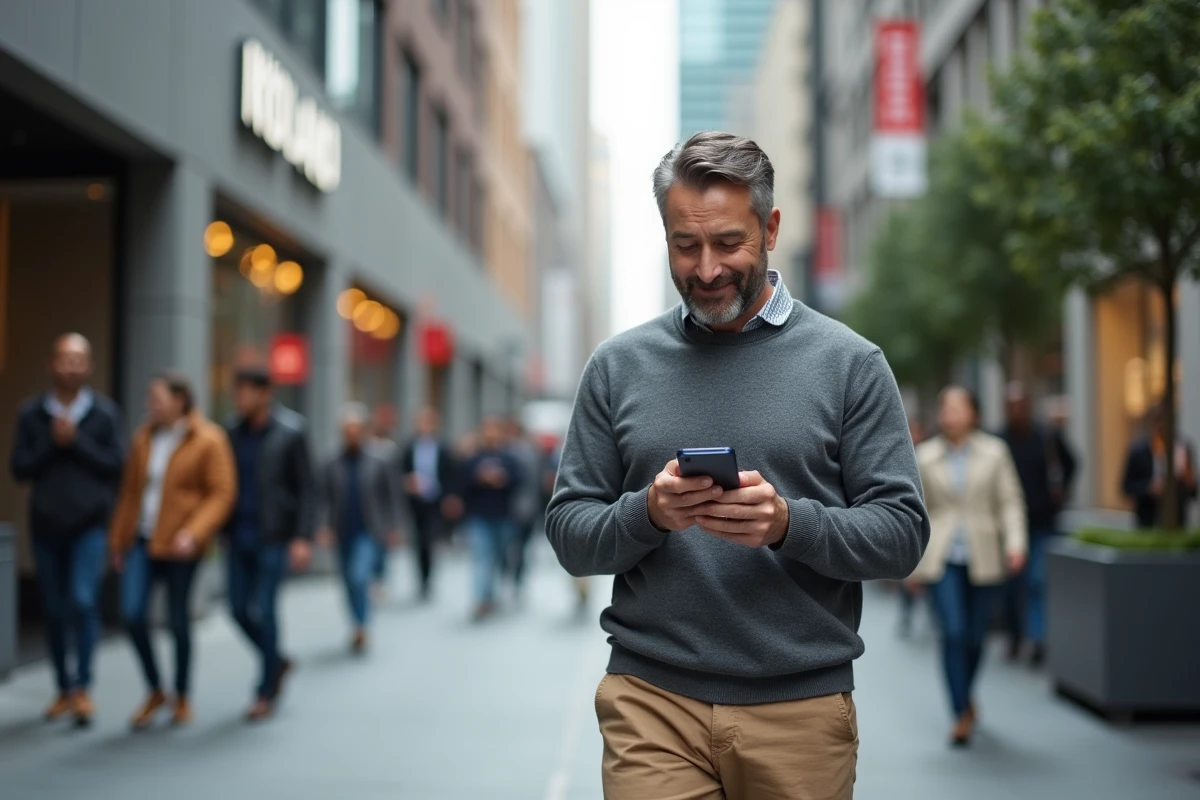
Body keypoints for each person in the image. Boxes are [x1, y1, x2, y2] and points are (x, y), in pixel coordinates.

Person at [545, 132, 929, 798]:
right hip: (651, 700)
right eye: (685, 245)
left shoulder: (851, 365)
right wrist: (648, 514)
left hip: (799, 709)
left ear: (771, 229)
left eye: (728, 243)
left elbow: (901, 536)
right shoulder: (616, 367)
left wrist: (787, 524)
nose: (706, 269)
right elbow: (570, 537)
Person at [9, 333, 125, 727]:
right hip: (46, 526)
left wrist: (76, 441)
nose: (72, 367)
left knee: (82, 600)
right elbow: (19, 468)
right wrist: (52, 442)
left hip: (89, 526)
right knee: (55, 610)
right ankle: (63, 687)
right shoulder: (32, 413)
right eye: (65, 359)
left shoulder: (104, 414)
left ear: (88, 366)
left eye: (79, 360)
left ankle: (83, 687)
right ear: (51, 364)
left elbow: (116, 466)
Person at [109, 372, 236, 729]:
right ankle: (155, 689)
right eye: (149, 399)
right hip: (142, 540)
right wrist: (118, 540)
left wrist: (194, 533)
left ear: (180, 400)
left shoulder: (209, 439)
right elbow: (130, 492)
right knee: (132, 613)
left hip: (181, 544)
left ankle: (181, 694)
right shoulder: (143, 438)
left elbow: (221, 493)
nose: (150, 406)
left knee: (178, 620)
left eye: (157, 399)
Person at [911, 386, 1027, 747]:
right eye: (945, 407)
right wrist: (910, 565)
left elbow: (1009, 502)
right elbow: (913, 512)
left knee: (976, 637)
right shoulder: (924, 456)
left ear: (974, 413)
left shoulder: (995, 452)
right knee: (953, 632)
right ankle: (960, 712)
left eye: (957, 407)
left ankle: (966, 695)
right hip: (942, 557)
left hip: (984, 554)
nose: (950, 414)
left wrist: (1016, 543)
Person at [224, 366, 315, 721]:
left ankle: (265, 690)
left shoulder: (292, 431)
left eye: (246, 391)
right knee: (237, 609)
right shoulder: (231, 432)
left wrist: (302, 537)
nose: (240, 398)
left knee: (265, 607)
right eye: (237, 391)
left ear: (265, 393)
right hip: (238, 535)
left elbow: (306, 488)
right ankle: (275, 659)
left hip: (275, 536)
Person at [998, 382, 1077, 665]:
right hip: (1009, 527)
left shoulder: (1046, 436)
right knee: (1011, 586)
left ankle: (1038, 639)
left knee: (1037, 581)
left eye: (1020, 405)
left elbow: (1072, 463)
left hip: (1042, 521)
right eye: (1011, 406)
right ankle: (1015, 635)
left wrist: (1062, 491)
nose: (1016, 411)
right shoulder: (999, 441)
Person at [317, 403, 402, 652]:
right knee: (347, 581)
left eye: (356, 429)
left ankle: (363, 625)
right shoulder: (332, 460)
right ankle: (356, 623)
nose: (352, 434)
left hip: (370, 529)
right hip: (343, 529)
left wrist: (394, 526)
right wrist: (323, 526)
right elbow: (324, 497)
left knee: (359, 575)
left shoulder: (380, 458)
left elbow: (392, 495)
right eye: (347, 430)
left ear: (364, 430)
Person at [460, 418, 522, 621]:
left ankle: (491, 593)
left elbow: (518, 481)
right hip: (479, 517)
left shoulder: (508, 459)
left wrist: (503, 479)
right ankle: (481, 599)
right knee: (481, 557)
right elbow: (463, 485)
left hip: (503, 516)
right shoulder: (474, 459)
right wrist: (480, 478)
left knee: (498, 557)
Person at [399, 407, 458, 600]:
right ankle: (422, 579)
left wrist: (450, 497)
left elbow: (451, 474)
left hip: (435, 500)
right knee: (419, 542)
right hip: (415, 501)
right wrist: (408, 482)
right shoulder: (409, 447)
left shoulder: (443, 447)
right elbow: (400, 472)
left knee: (429, 539)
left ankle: (428, 576)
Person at [1122, 403, 1198, 529]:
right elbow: (1126, 486)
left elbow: (1193, 491)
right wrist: (1149, 488)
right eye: (1160, 421)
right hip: (1148, 519)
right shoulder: (1139, 451)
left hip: (1177, 520)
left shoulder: (1183, 448)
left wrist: (1188, 482)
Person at [505, 419, 542, 597]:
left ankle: (515, 575)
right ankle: (515, 575)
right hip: (520, 507)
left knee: (517, 545)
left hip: (520, 507)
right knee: (517, 545)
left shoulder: (524, 452)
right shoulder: (529, 452)